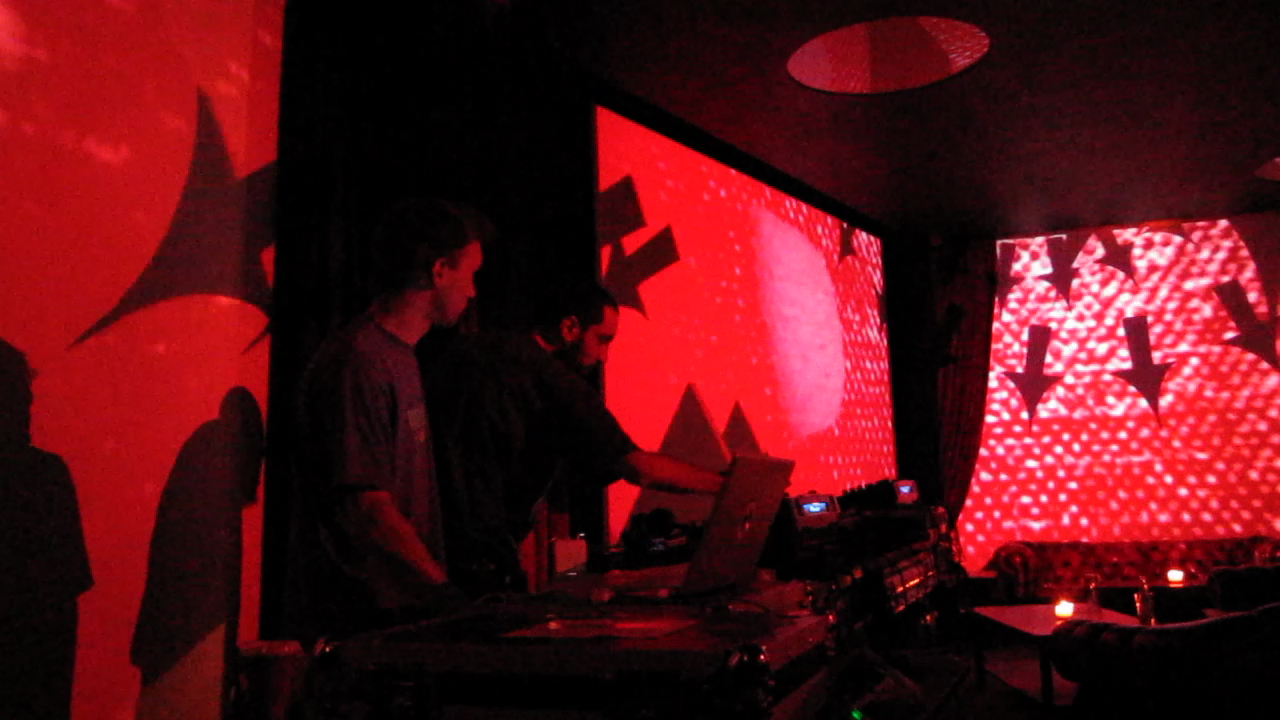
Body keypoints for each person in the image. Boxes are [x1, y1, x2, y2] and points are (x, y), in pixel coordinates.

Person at [423, 282, 723, 597]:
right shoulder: (557, 382)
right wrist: (724, 485)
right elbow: (639, 467)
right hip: (481, 564)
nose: (604, 357)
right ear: (569, 328)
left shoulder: (468, 352)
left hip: (427, 549)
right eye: (602, 340)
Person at [292, 198, 488, 638]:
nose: (473, 291)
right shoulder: (360, 360)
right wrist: (445, 595)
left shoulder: (396, 355)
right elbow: (367, 508)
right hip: (366, 619)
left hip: (395, 610)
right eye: (471, 273)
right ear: (440, 270)